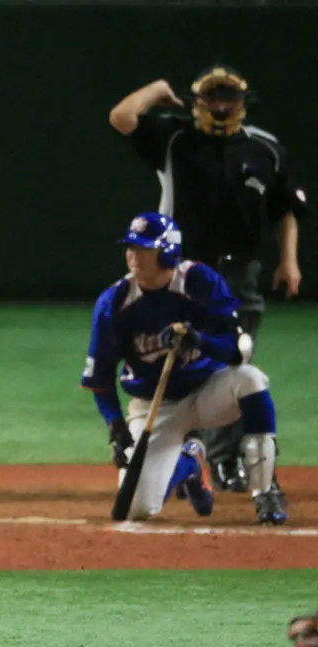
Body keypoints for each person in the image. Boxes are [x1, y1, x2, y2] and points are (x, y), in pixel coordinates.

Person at [108, 63, 306, 494]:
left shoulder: (265, 149)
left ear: (241, 103)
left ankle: (225, 461)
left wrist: (288, 261)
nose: (219, 106)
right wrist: (157, 88)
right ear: (197, 102)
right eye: (211, 98)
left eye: (227, 98)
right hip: (180, 275)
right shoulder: (175, 139)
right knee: (175, 362)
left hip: (240, 274)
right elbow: (122, 117)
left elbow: (285, 209)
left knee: (233, 364)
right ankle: (182, 459)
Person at [80, 211, 287, 525]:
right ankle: (189, 462)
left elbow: (237, 350)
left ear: (166, 252)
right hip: (154, 405)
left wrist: (199, 340)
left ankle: (264, 492)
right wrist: (115, 426)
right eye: (130, 247)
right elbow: (101, 376)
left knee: (252, 380)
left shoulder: (197, 281)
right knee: (137, 509)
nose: (132, 255)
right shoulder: (114, 302)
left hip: (209, 391)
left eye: (143, 248)